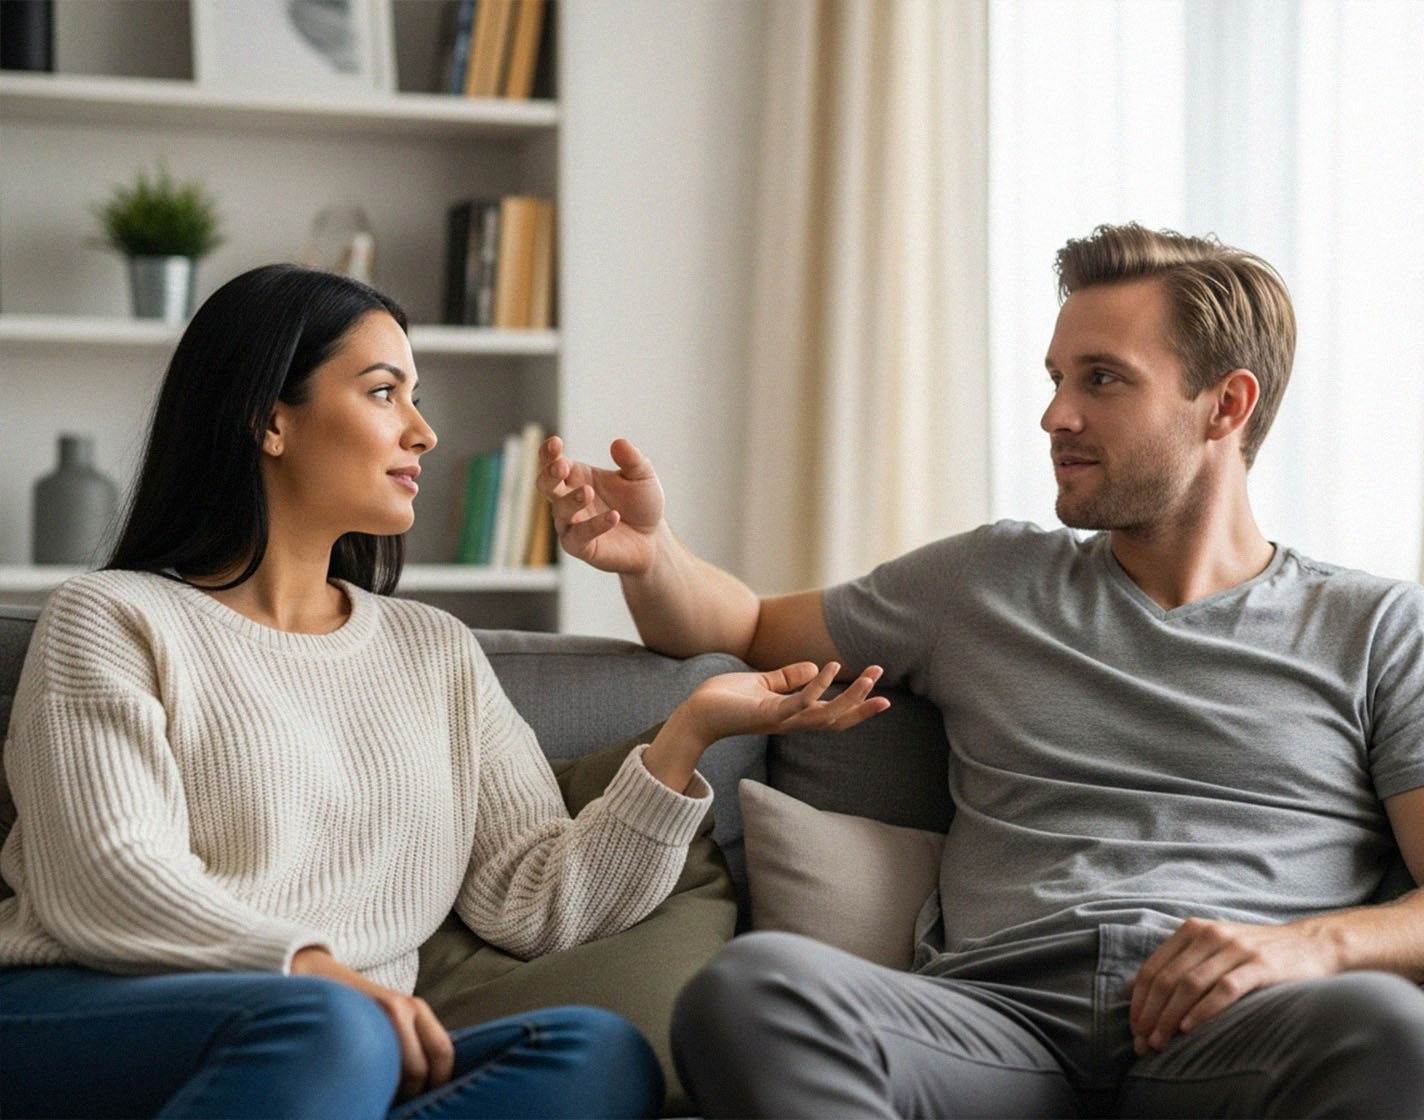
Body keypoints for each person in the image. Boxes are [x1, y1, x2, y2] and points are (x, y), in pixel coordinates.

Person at [534, 223, 1424, 1119]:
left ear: (1225, 405)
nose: (1055, 415)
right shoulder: (985, 580)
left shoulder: (1374, 625)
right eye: (1055, 378)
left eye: (1101, 379)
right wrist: (651, 556)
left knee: (1405, 1039)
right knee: (752, 992)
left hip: (1241, 1029)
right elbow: (750, 622)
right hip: (993, 1023)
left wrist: (1313, 950)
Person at [0, 264, 887, 1120]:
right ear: (270, 420)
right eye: (385, 393)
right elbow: (107, 877)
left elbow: (533, 901)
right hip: (100, 1008)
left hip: (347, 1047)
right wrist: (313, 971)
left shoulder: (433, 651)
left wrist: (689, 733)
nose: (422, 432)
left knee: (598, 1054)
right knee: (330, 1030)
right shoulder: (112, 619)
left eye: (414, 397)